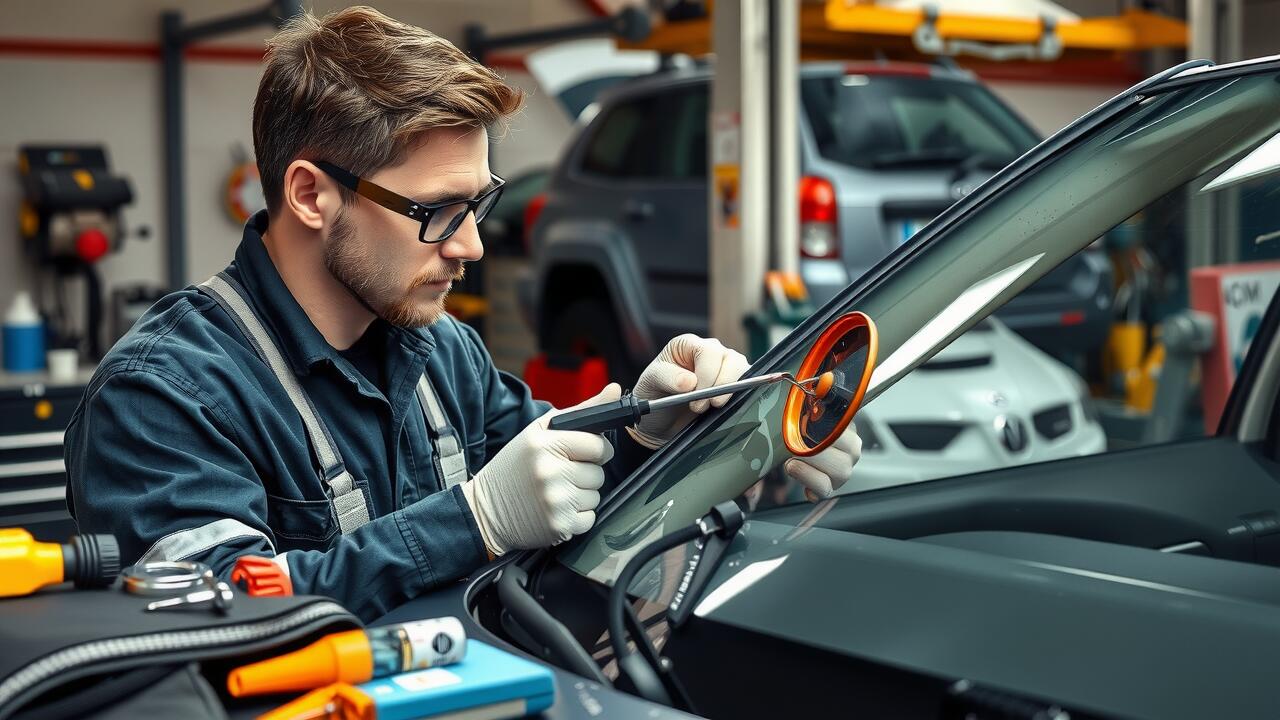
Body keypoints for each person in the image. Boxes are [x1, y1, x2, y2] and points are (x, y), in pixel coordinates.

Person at [64, 6, 860, 621]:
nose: (473, 246)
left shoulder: (442, 353)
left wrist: (660, 433)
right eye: (440, 210)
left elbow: (556, 490)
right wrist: (471, 520)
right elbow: (220, 610)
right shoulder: (164, 396)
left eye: (479, 204)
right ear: (311, 194)